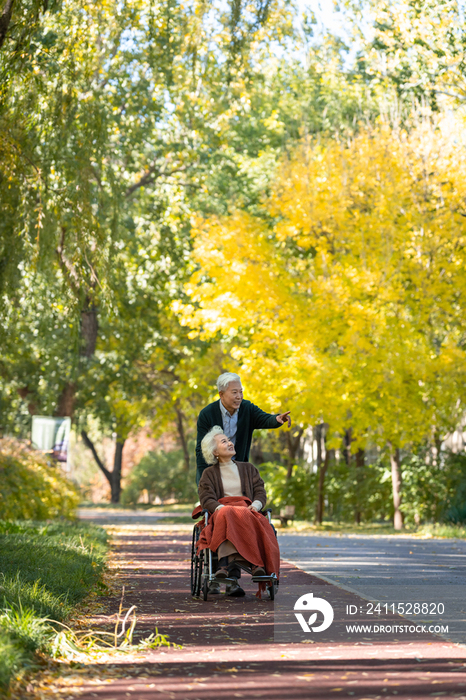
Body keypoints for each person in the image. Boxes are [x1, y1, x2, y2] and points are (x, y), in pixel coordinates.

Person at [197, 426, 280, 597]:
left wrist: (256, 505)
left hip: (247, 509)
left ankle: (225, 566)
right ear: (215, 452)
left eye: (229, 440)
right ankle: (253, 564)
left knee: (243, 513)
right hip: (222, 511)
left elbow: (260, 491)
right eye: (224, 441)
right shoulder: (208, 474)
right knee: (228, 513)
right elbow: (206, 498)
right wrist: (220, 508)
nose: (230, 443)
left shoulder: (248, 468)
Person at [196, 372, 291, 486]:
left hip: (237, 469)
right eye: (234, 392)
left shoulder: (247, 408)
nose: (239, 396)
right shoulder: (207, 414)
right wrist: (204, 480)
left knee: (240, 501)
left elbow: (264, 419)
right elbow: (201, 450)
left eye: (241, 392)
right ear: (221, 394)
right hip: (213, 470)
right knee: (216, 502)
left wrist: (277, 419)